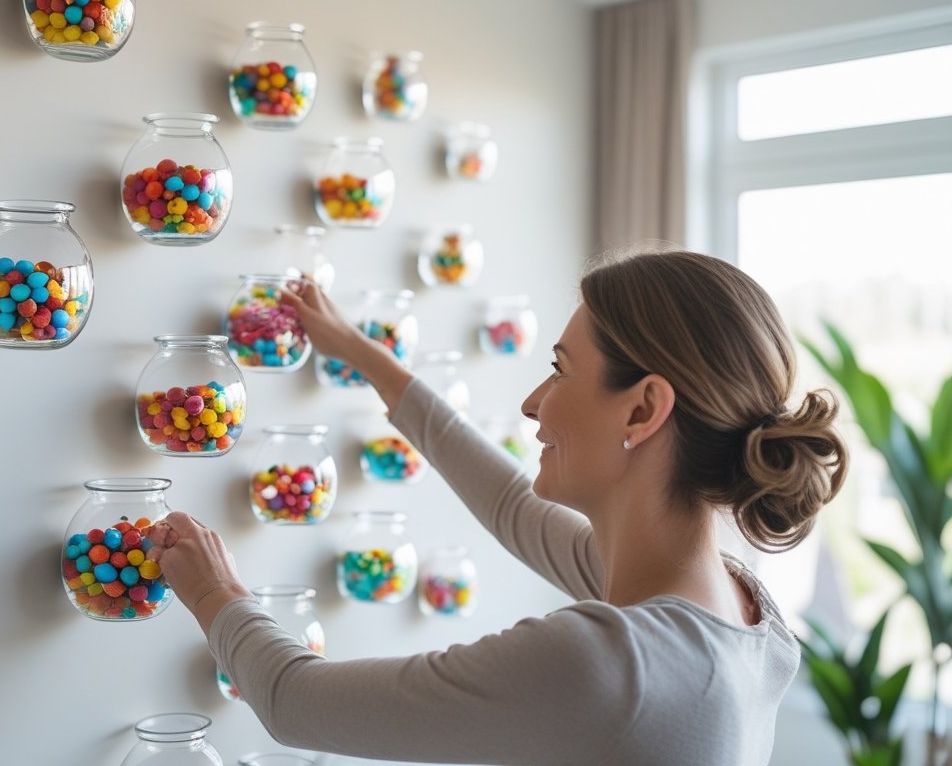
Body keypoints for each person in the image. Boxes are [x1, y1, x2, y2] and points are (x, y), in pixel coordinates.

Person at [147, 249, 848, 766]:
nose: (533, 404)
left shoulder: (609, 664)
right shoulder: (743, 613)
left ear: (642, 408)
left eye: (560, 369)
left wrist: (213, 589)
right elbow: (512, 506)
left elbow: (293, 703)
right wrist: (364, 356)